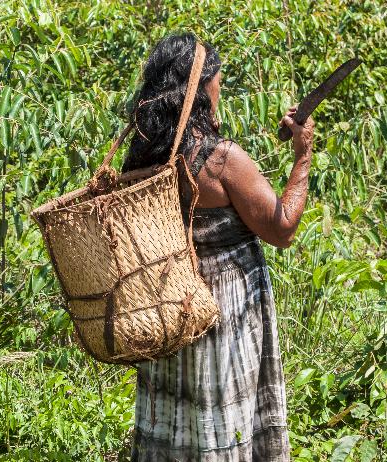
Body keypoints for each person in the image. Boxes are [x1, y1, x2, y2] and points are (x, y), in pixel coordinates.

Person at [123, 33, 314, 461]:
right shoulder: (220, 159)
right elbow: (282, 228)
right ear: (203, 86)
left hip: (172, 305)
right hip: (226, 309)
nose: (219, 90)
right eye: (218, 82)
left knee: (178, 420)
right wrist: (303, 154)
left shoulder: (145, 155)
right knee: (223, 422)